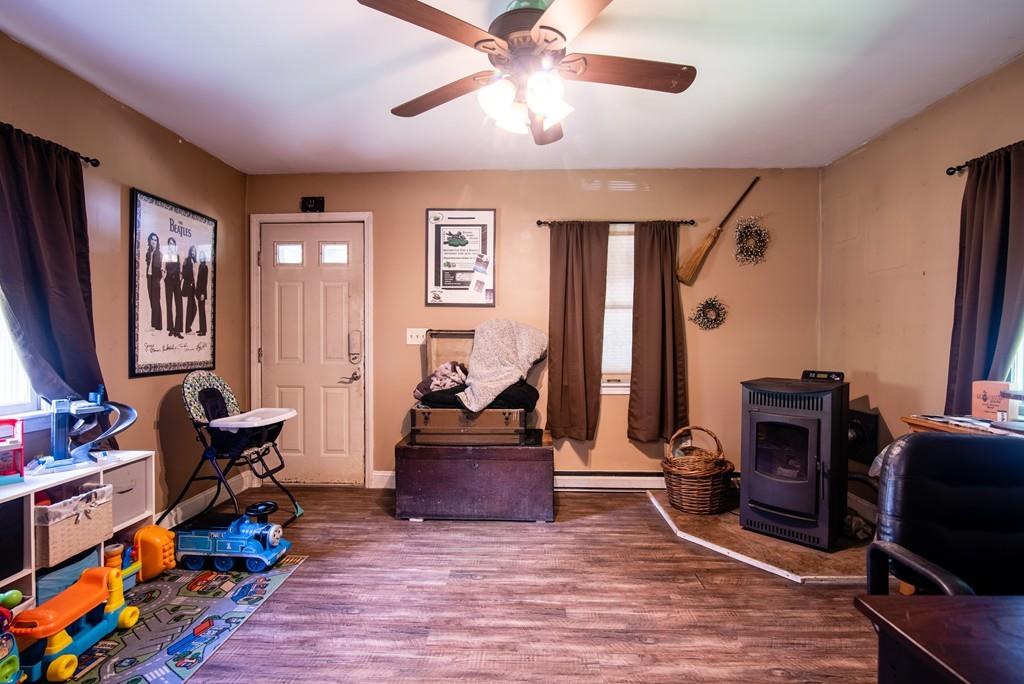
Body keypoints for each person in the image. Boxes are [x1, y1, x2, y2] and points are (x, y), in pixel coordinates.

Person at [163, 237, 183, 339]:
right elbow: (163, 269)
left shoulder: (178, 256)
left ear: (175, 245)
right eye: (169, 243)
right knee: (169, 305)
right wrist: (165, 278)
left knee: (179, 305)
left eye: (173, 243)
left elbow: (181, 270)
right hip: (169, 281)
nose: (171, 245)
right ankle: (171, 329)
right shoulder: (166, 256)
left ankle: (177, 330)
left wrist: (180, 279)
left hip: (177, 282)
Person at [144, 232, 162, 330]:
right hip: (149, 278)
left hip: (155, 279)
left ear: (157, 242)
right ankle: (155, 324)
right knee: (152, 301)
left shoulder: (159, 253)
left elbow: (160, 268)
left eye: (155, 240)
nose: (154, 241)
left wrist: (158, 279)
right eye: (152, 239)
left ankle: (158, 325)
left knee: (156, 301)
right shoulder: (148, 253)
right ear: (149, 241)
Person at [183, 245, 197, 333]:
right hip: (189, 286)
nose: (193, 252)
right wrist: (190, 281)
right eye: (192, 251)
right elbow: (185, 273)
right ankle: (187, 329)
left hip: (192, 287)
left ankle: (188, 327)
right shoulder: (187, 260)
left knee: (193, 308)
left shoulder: (193, 261)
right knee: (191, 308)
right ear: (190, 252)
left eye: (194, 251)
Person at [196, 250, 209, 336]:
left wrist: (202, 293)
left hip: (202, 293)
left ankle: (203, 331)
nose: (201, 258)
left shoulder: (204, 267)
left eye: (202, 256)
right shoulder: (201, 266)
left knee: (202, 311)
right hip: (199, 293)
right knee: (201, 311)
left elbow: (204, 282)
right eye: (200, 256)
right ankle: (202, 329)